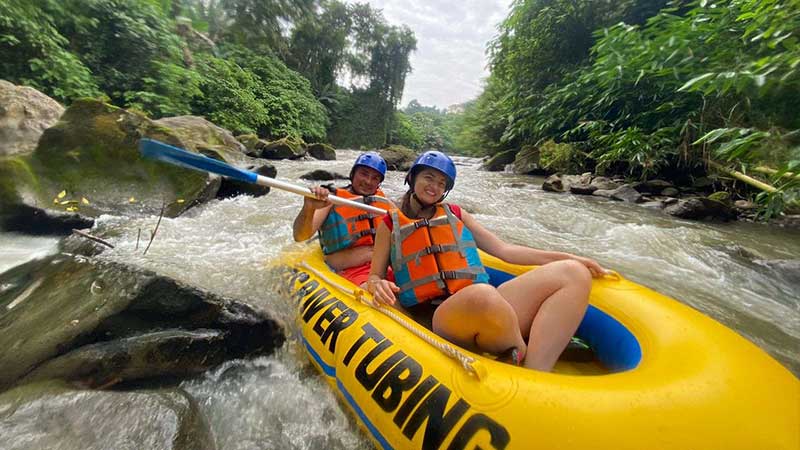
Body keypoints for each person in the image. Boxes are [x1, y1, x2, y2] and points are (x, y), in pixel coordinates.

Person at [365, 150, 608, 372]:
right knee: (482, 295)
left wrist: (569, 256)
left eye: (441, 183)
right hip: (440, 317)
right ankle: (517, 351)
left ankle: (537, 372)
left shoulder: (456, 214)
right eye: (429, 178)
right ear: (412, 177)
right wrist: (379, 285)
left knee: (572, 273)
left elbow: (505, 251)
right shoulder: (390, 223)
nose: (434, 187)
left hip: (488, 306)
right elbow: (374, 276)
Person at [293, 152, 395, 287]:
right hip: (349, 271)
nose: (368, 181)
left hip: (380, 269)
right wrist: (309, 208)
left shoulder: (385, 203)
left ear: (379, 183)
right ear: (353, 174)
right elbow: (300, 236)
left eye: (375, 178)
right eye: (364, 174)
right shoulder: (332, 199)